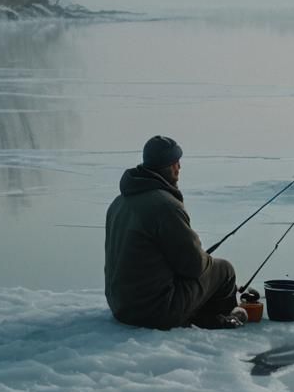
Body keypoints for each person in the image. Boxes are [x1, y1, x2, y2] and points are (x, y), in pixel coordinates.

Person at [105, 135, 247, 330]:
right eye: (175, 162)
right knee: (224, 270)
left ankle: (197, 312)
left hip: (121, 306)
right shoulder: (165, 206)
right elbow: (194, 266)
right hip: (154, 312)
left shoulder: (119, 202)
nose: (179, 167)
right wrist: (205, 258)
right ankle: (217, 320)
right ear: (167, 166)